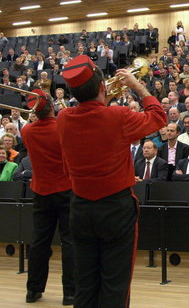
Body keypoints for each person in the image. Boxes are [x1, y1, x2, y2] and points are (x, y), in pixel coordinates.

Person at [57, 55, 168, 308]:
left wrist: (100, 94)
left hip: (80, 209)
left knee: (85, 284)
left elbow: (91, 110)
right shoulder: (118, 115)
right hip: (116, 209)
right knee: (115, 283)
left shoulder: (63, 118)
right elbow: (159, 116)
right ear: (100, 87)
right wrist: (136, 86)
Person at [20, 89, 75, 305]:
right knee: (69, 242)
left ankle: (33, 290)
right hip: (65, 189)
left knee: (39, 242)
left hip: (41, 191)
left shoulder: (27, 131)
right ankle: (70, 293)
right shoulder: (63, 127)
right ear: (52, 106)